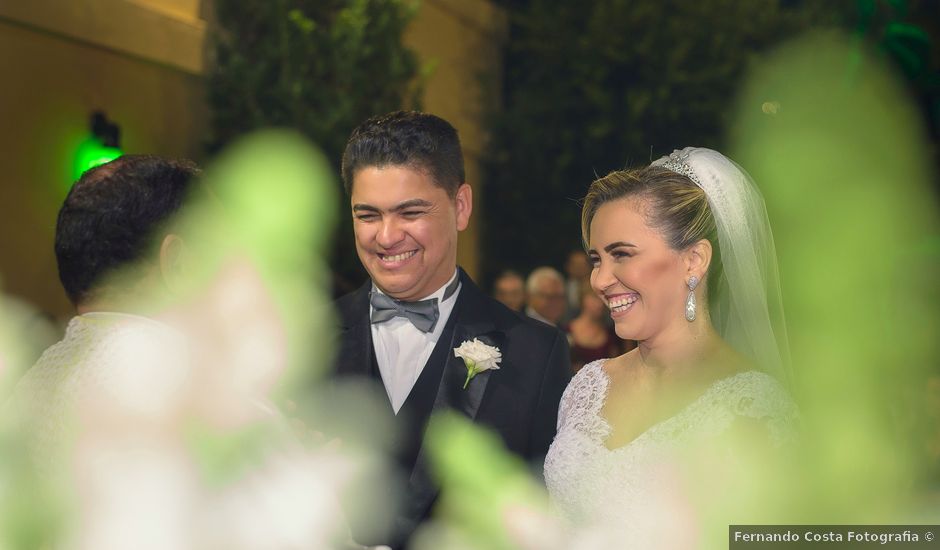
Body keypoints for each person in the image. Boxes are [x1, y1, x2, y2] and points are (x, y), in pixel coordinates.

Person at [333, 110, 571, 550]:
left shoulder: (535, 353)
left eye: (410, 212)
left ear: (460, 207)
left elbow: (542, 523)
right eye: (367, 215)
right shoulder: (304, 340)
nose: (386, 236)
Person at [544, 148, 797, 547]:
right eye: (596, 259)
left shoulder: (754, 407)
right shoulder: (586, 387)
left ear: (694, 260)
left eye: (622, 255)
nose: (600, 280)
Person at [564, 285, 632, 373]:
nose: (600, 304)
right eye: (594, 297)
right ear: (582, 298)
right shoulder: (565, 331)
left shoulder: (614, 335)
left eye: (605, 299)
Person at [562, 249, 592, 319]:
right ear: (568, 266)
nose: (580, 268)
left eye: (584, 264)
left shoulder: (597, 287)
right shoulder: (560, 289)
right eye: (576, 264)